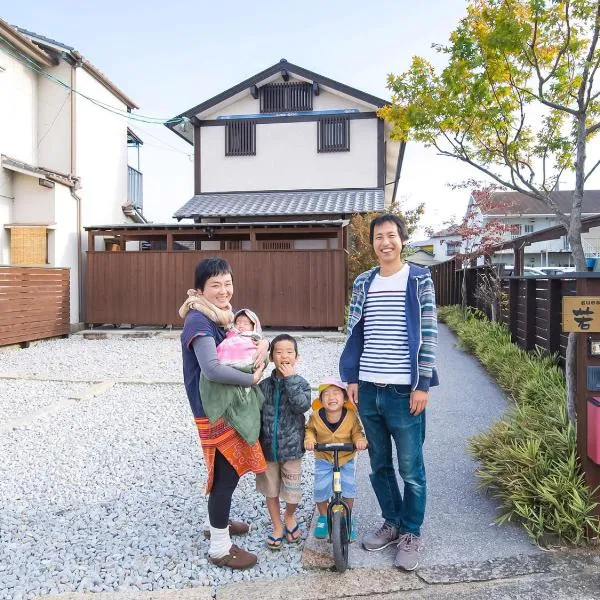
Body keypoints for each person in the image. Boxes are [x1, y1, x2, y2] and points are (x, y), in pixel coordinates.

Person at [339, 214, 438, 571]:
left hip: (404, 390)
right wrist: (350, 376)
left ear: (402, 240)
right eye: (379, 236)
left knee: (411, 468)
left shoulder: (419, 279)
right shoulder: (363, 282)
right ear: (373, 243)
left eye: (391, 236)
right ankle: (392, 522)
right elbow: (354, 332)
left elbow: (428, 333)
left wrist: (422, 384)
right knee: (379, 464)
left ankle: (411, 531)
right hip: (368, 389)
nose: (385, 242)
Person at [180, 257, 269, 570]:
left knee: (224, 472)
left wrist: (263, 348)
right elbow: (212, 369)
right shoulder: (198, 322)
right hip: (213, 409)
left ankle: (217, 521)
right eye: (215, 285)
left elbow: (243, 345)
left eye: (227, 283)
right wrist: (252, 379)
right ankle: (219, 547)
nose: (223, 290)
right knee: (225, 475)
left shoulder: (221, 317)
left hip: (225, 405)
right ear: (201, 288)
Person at [256, 334, 311, 550]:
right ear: (271, 357)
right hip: (267, 448)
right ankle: (277, 525)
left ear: (297, 357)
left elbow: (302, 406)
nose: (284, 356)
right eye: (279, 352)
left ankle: (289, 515)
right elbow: (255, 415)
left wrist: (290, 380)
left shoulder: (301, 383)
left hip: (292, 449)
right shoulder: (263, 386)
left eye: (289, 352)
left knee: (293, 490)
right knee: (271, 490)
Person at [304, 379, 367, 541]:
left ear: (345, 398)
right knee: (320, 487)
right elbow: (309, 430)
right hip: (324, 458)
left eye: (336, 393)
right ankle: (324, 516)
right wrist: (309, 440)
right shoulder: (316, 416)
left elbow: (357, 432)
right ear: (321, 399)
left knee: (348, 487)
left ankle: (347, 517)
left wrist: (359, 440)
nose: (331, 397)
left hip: (345, 458)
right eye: (327, 394)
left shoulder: (351, 416)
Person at [200, 308, 265, 445]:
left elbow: (260, 354)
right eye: (238, 322)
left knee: (245, 407)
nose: (241, 325)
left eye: (246, 323)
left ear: (254, 326)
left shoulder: (254, 338)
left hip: (244, 365)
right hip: (224, 366)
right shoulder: (228, 333)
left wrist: (265, 344)